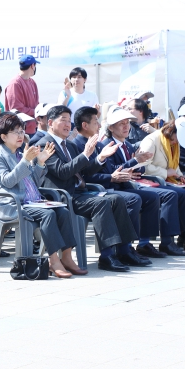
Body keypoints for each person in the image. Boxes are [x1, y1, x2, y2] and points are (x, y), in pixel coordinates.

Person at [36, 105, 139, 272]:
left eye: (69, 121)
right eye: (63, 120)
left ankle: (124, 250)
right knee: (101, 203)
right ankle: (106, 256)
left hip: (79, 192)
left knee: (116, 199)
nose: (67, 124)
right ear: (50, 123)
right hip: (62, 196)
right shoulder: (44, 144)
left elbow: (84, 171)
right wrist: (85, 154)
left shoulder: (69, 145)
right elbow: (63, 173)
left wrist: (100, 157)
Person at [0, 114, 84, 277]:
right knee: (48, 214)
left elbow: (33, 182)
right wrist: (26, 161)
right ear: (3, 137)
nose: (21, 135)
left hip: (31, 202)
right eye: (15, 132)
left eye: (21, 131)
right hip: (13, 205)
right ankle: (54, 260)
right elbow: (8, 181)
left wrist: (40, 163)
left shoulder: (19, 154)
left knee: (63, 212)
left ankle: (67, 257)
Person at [103, 106, 185, 256]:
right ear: (111, 127)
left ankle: (184, 236)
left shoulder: (127, 144)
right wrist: (134, 166)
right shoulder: (107, 145)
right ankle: (158, 242)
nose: (127, 127)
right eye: (121, 123)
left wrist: (137, 167)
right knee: (167, 195)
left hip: (136, 182)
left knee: (182, 193)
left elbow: (141, 167)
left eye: (128, 123)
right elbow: (112, 169)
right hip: (123, 186)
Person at [72, 106, 154, 265]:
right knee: (130, 199)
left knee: (145, 197)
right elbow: (87, 175)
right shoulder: (78, 145)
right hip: (93, 190)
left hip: (109, 187)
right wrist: (113, 176)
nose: (98, 125)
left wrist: (132, 167)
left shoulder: (97, 144)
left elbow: (107, 170)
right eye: (96, 121)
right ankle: (120, 250)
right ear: (85, 125)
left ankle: (131, 247)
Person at [140, 119, 185, 251]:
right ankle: (167, 241)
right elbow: (143, 167)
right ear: (171, 132)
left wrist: (179, 175)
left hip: (168, 180)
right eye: (177, 138)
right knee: (177, 195)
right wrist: (166, 173)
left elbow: (174, 164)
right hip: (152, 181)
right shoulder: (152, 141)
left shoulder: (172, 142)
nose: (177, 143)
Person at [4, 55, 40, 135]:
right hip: (19, 131)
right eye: (35, 65)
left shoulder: (32, 82)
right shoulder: (15, 83)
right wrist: (36, 112)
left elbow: (37, 104)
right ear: (32, 66)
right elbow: (16, 110)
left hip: (33, 129)